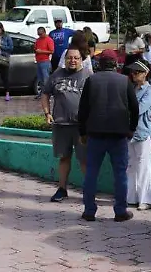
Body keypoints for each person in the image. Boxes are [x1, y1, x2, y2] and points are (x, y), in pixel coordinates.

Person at [77, 52, 139, 222]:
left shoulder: (92, 80)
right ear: (115, 64)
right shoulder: (124, 81)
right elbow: (135, 108)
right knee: (120, 174)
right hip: (119, 135)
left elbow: (82, 110)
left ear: (100, 64)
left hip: (95, 134)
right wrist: (132, 128)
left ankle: (89, 211)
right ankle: (120, 211)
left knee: (91, 173)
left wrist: (82, 132)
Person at [41, 47, 90, 203]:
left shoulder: (88, 76)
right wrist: (47, 113)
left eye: (76, 58)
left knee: (84, 160)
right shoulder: (57, 74)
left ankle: (88, 191)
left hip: (81, 126)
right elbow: (45, 93)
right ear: (65, 59)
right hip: (61, 124)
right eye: (70, 58)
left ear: (81, 59)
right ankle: (62, 189)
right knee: (64, 158)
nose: (73, 61)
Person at [126, 60, 151, 211]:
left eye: (137, 72)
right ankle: (131, 197)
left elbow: (140, 108)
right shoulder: (130, 89)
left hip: (143, 132)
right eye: (133, 72)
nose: (134, 75)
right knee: (131, 166)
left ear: (145, 73)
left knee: (144, 166)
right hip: (130, 132)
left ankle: (146, 199)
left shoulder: (149, 90)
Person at [34, 26, 55, 96]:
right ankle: (42, 93)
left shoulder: (49, 40)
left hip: (45, 61)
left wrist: (41, 51)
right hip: (38, 61)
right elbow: (35, 48)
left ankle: (47, 94)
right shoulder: (38, 40)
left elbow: (52, 51)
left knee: (46, 79)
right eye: (38, 34)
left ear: (44, 32)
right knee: (40, 79)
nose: (39, 35)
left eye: (41, 34)